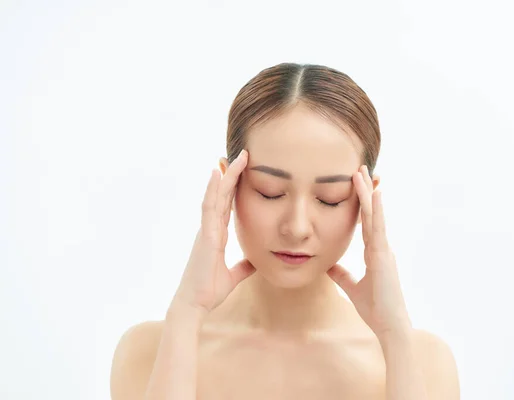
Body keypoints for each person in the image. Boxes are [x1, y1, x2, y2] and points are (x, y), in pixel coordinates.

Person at [110, 63, 460, 400]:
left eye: (329, 198)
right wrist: (187, 313)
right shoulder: (150, 352)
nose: (296, 228)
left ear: (366, 199)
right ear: (228, 184)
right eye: (269, 191)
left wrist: (394, 332)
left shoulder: (424, 364)